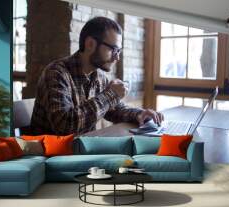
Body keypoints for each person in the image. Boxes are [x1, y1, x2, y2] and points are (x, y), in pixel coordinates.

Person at [28, 16, 164, 135]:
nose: (117, 57)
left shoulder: (99, 77)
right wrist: (110, 94)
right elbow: (65, 125)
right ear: (90, 44)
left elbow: (115, 109)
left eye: (119, 51)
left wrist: (140, 114)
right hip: (49, 155)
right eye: (114, 50)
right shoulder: (56, 73)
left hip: (79, 151)